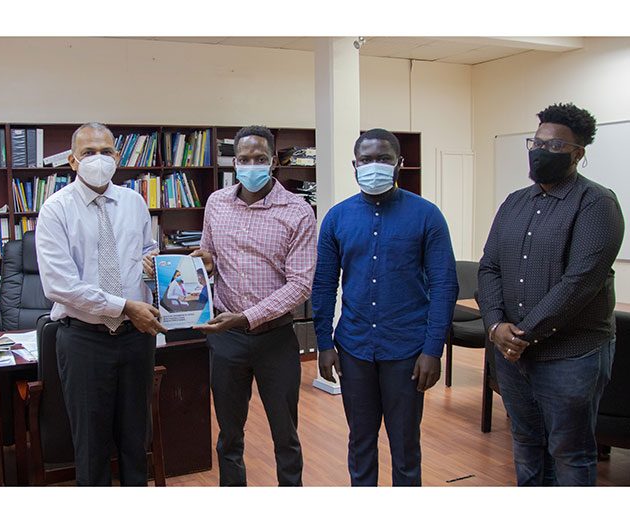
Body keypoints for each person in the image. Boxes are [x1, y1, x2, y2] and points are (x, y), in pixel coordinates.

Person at [478, 103, 624, 486]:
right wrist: (495, 325)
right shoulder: (514, 202)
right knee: (526, 443)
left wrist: (520, 336)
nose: (541, 152)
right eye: (536, 142)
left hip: (571, 355)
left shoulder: (596, 204)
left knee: (569, 452)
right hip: (512, 355)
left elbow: (580, 283)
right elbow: (489, 266)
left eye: (555, 146)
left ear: (578, 153)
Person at [311, 128, 458, 486]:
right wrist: (325, 344)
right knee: (360, 443)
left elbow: (444, 285)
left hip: (407, 351)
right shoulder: (337, 217)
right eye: (366, 160)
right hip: (354, 348)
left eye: (384, 159)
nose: (373, 166)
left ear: (399, 164)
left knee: (406, 447)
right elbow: (324, 284)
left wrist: (432, 349)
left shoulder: (427, 215)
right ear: (354, 165)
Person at [36, 122, 167, 486]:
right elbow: (60, 285)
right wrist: (124, 306)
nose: (98, 159)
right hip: (84, 339)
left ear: (117, 156)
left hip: (136, 336)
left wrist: (153, 262)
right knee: (91, 445)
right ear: (72, 161)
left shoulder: (134, 201)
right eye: (88, 152)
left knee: (135, 440)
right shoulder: (55, 210)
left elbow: (145, 250)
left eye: (106, 152)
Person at [190, 125, 317, 486]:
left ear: (274, 161)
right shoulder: (216, 202)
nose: (251, 165)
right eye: (243, 159)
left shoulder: (298, 212)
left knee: (285, 436)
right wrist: (204, 262)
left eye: (260, 158)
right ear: (234, 162)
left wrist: (246, 318)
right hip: (226, 340)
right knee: (229, 436)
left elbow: (299, 285)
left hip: (275, 339)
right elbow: (209, 256)